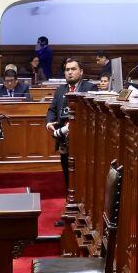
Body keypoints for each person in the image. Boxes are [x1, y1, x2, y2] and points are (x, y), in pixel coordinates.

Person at [45, 58, 95, 189]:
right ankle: (70, 199)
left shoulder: (90, 88)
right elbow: (52, 110)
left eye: (73, 69)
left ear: (81, 72)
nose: (70, 72)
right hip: (63, 139)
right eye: (67, 70)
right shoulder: (60, 90)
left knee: (82, 174)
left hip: (84, 140)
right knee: (67, 172)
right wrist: (49, 122)